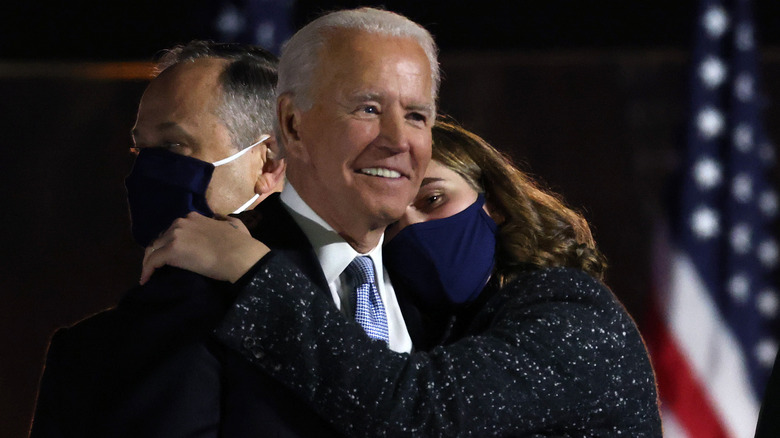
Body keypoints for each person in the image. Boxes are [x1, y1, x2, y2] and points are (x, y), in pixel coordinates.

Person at [144, 119, 663, 436]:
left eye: (433, 199)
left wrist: (250, 269)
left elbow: (418, 413)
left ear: (496, 206)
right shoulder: (437, 325)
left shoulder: (575, 316)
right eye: (391, 220)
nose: (411, 226)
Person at [29, 40, 285, 437]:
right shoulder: (86, 351)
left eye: (172, 145)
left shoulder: (340, 306)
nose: (147, 170)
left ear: (268, 161)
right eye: (139, 150)